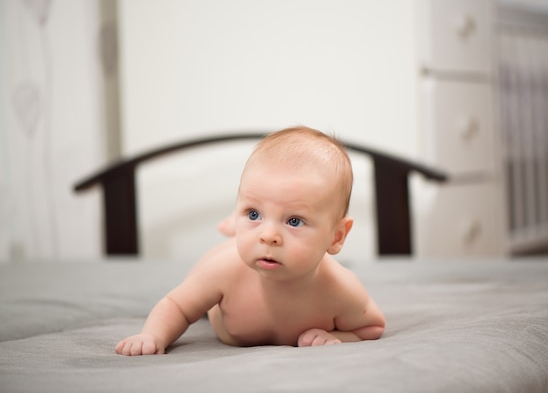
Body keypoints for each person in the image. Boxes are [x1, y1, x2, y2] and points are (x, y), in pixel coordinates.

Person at [115, 126, 385, 355]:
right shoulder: (225, 270)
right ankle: (235, 228)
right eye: (253, 213)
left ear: (336, 237)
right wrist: (153, 336)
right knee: (202, 286)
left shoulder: (340, 288)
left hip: (246, 250)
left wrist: (336, 336)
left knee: (252, 237)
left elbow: (371, 327)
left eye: (294, 221)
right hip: (225, 258)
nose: (269, 236)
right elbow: (176, 305)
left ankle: (240, 224)